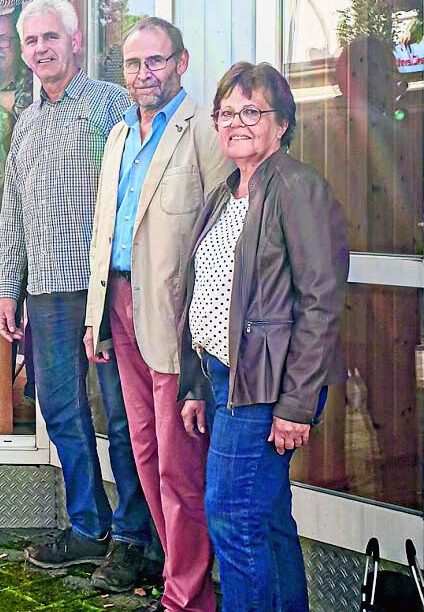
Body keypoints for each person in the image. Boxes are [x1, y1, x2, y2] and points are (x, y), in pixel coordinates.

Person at [178, 62, 348, 611]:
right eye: (226, 113)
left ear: (282, 123)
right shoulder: (227, 193)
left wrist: (296, 405)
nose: (236, 123)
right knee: (268, 518)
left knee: (232, 516)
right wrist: (196, 384)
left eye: (251, 112)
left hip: (266, 387)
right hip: (225, 377)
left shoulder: (298, 188)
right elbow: (205, 293)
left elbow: (320, 303)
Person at [0, 0, 152, 580]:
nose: (41, 49)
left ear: (75, 40)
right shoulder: (26, 121)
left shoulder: (109, 106)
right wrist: (8, 290)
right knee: (61, 410)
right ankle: (89, 526)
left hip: (103, 291)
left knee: (122, 416)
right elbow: (13, 210)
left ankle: (136, 538)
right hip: (46, 295)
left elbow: (135, 193)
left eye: (50, 37)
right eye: (31, 41)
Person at [82, 18, 231, 610]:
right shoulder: (120, 132)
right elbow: (106, 231)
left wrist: (205, 333)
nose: (143, 74)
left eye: (155, 61)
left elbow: (224, 235)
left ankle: (188, 597)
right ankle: (179, 578)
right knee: (143, 452)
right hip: (120, 309)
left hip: (173, 319)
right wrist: (96, 317)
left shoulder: (204, 133)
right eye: (133, 63)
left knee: (178, 465)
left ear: (181, 62)